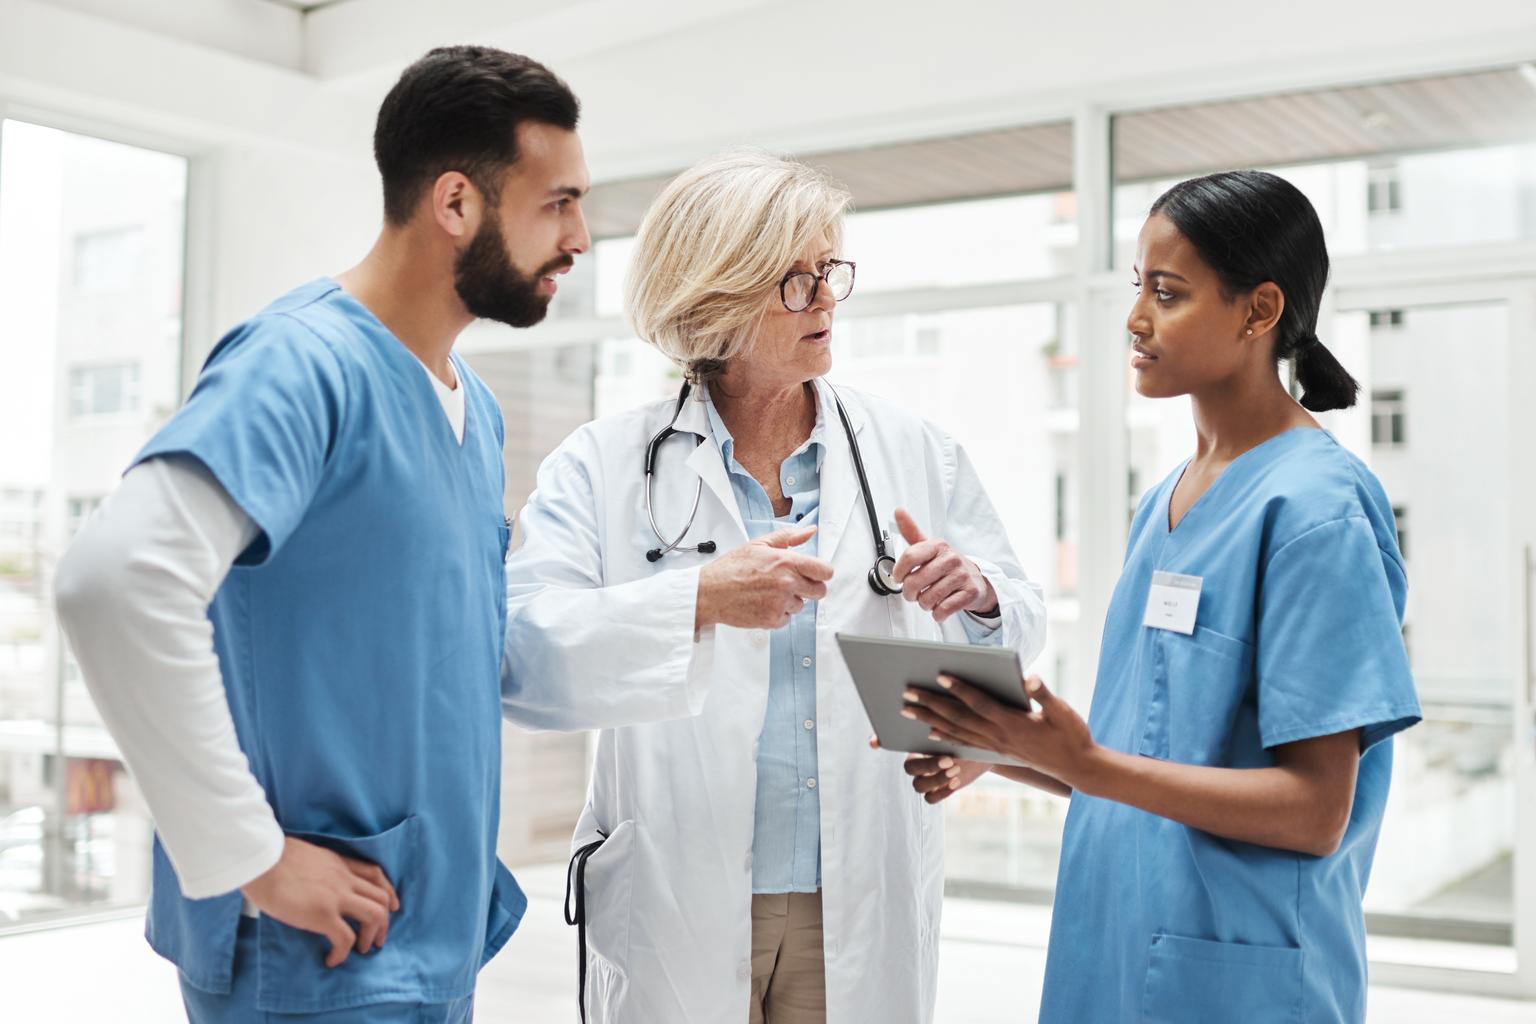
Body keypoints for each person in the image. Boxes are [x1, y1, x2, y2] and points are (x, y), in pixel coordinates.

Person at [52, 46, 590, 1022]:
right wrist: (248, 855)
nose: (582, 237)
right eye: (558, 203)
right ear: (457, 203)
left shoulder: (473, 411)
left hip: (423, 937)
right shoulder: (303, 363)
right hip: (316, 958)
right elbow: (115, 579)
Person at [501, 151, 1045, 1023]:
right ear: (713, 297)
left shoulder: (913, 450)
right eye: (794, 281)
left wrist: (979, 598)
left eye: (829, 270)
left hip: (858, 885)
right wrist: (698, 602)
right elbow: (524, 648)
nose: (826, 299)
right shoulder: (604, 465)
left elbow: (1018, 625)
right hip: (681, 884)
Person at [901, 170, 1421, 1023]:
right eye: (1138, 287)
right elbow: (1153, 758)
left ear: (1259, 311)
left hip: (1234, 976)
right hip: (1111, 944)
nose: (1136, 320)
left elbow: (1316, 811)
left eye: (1167, 293)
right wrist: (997, 750)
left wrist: (1085, 763)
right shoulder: (1165, 503)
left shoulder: (1316, 510)